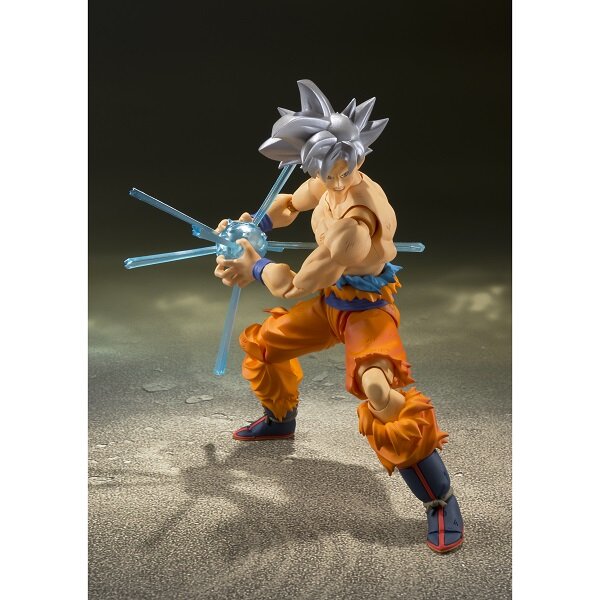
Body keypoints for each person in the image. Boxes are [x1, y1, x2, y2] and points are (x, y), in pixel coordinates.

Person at [214, 80, 464, 552]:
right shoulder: (328, 176)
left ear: (355, 158)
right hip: (332, 303)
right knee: (265, 343)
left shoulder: (355, 223)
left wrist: (254, 265)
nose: (330, 180)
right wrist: (253, 227)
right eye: (321, 171)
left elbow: (293, 285)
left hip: (367, 312)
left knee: (380, 392)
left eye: (338, 171)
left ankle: (440, 499)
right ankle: (280, 420)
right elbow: (290, 205)